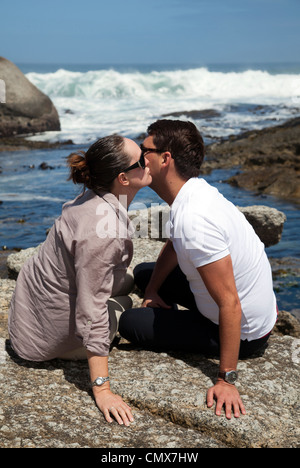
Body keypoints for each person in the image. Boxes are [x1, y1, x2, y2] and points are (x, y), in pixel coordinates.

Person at [119, 119, 278, 420]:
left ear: (165, 159)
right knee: (143, 273)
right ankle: (161, 297)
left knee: (130, 323)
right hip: (254, 308)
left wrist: (226, 379)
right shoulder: (194, 192)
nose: (140, 158)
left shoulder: (195, 217)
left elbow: (229, 302)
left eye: (144, 151)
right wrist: (152, 290)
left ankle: (198, 330)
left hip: (246, 332)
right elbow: (176, 242)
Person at [8, 134, 152, 426]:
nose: (149, 160)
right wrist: (102, 389)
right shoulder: (104, 232)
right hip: (41, 342)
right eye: (141, 160)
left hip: (28, 316)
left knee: (127, 281)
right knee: (122, 303)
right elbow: (92, 312)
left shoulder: (91, 195)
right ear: (123, 179)